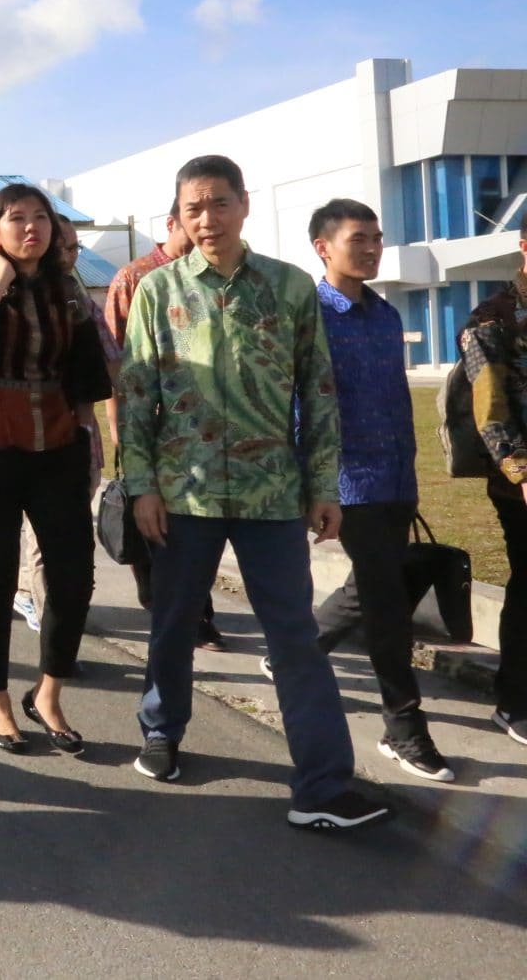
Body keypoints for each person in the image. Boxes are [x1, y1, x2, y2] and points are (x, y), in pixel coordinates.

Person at [120, 155, 390, 831]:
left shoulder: (290, 287)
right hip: (184, 495)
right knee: (173, 622)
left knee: (295, 636)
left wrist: (323, 484)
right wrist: (140, 487)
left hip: (274, 494)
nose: (206, 219)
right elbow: (135, 398)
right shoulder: (158, 291)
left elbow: (318, 393)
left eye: (218, 203)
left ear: (244, 205)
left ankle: (323, 785)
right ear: (177, 218)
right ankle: (162, 726)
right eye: (192, 208)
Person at [0, 186, 111, 757]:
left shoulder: (69, 293)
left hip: (56, 443)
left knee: (72, 574)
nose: (33, 227)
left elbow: (87, 377)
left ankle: (50, 692)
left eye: (42, 218)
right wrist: (1, 278)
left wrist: (91, 447)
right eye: (18, 219)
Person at [284, 199, 451, 781]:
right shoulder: (309, 316)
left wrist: (410, 474)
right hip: (347, 483)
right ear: (323, 248)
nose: (373, 248)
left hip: (396, 478)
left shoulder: (382, 315)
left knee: (374, 582)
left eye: (377, 237)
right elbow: (302, 405)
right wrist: (315, 484)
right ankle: (403, 728)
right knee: (385, 604)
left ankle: (295, 652)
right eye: (360, 239)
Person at [100, 207, 225, 651]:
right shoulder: (134, 279)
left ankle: (192, 611)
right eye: (188, 223)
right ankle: (173, 609)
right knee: (151, 522)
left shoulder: (215, 275)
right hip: (147, 424)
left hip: (201, 431)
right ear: (171, 225)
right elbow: (113, 358)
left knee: (196, 522)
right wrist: (118, 424)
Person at [11, 224, 115, 637]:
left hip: (79, 436)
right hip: (38, 439)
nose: (70, 255)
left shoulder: (78, 298)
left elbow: (110, 358)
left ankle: (36, 598)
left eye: (75, 247)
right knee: (44, 537)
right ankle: (51, 620)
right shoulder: (17, 294)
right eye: (63, 247)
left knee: (65, 533)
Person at [457, 213, 527, 749]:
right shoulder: (493, 318)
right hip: (520, 484)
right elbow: (491, 407)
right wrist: (520, 470)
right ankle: (514, 702)